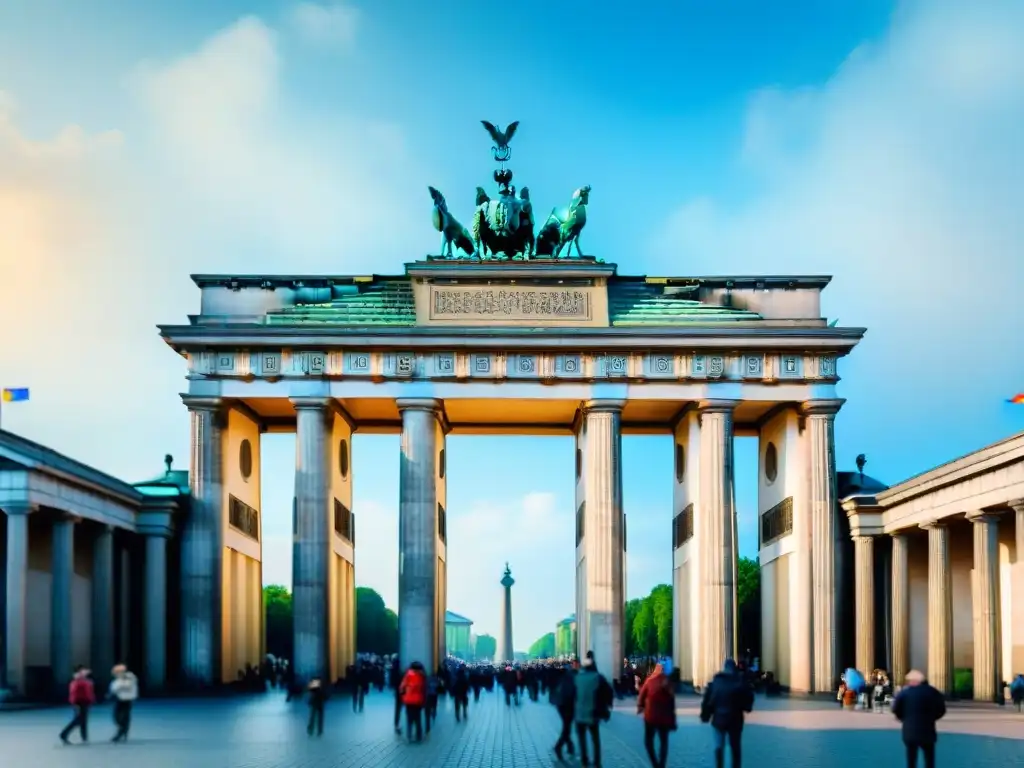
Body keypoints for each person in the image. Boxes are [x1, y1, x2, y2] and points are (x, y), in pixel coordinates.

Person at [700, 659, 754, 768]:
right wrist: (747, 708)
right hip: (735, 720)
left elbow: (709, 699)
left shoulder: (716, 681)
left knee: (719, 746)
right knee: (735, 747)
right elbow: (748, 697)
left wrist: (705, 715)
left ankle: (719, 765)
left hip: (719, 720)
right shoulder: (740, 680)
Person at [891, 669, 946, 768]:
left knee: (911, 758)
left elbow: (896, 709)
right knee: (929, 758)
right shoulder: (933, 692)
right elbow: (942, 709)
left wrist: (904, 718)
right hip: (928, 729)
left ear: (913, 681)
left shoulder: (904, 693)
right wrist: (932, 718)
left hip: (909, 730)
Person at [574, 653, 614, 767]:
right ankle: (597, 762)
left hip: (579, 712)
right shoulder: (598, 677)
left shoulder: (577, 677)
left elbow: (573, 695)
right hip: (593, 713)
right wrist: (608, 705)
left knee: (581, 738)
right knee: (595, 739)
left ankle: (584, 760)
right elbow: (609, 691)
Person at [637, 663, 676, 768]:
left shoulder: (649, 681)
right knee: (664, 742)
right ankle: (661, 765)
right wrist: (672, 717)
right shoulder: (667, 682)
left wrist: (640, 706)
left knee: (648, 741)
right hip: (665, 717)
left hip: (651, 716)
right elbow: (672, 700)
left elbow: (641, 695)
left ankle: (655, 764)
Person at [59, 665, 96, 745]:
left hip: (85, 701)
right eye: (84, 670)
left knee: (83, 720)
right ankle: (64, 734)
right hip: (80, 701)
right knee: (78, 720)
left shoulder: (85, 680)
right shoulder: (78, 680)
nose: (86, 672)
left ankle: (84, 737)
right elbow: (75, 693)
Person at [551, 662, 577, 761]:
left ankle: (569, 745)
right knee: (567, 727)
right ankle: (559, 746)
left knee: (567, 726)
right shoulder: (572, 676)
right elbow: (572, 693)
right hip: (567, 705)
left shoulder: (564, 676)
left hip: (561, 704)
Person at [107, 663, 139, 742]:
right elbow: (114, 688)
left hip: (127, 699)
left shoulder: (129, 677)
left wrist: (118, 686)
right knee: (117, 716)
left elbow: (125, 686)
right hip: (119, 699)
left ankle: (122, 732)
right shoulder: (118, 679)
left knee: (124, 716)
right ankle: (122, 730)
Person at [400, 661, 428, 742]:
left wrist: (404, 696)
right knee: (418, 719)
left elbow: (402, 687)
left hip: (408, 701)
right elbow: (424, 689)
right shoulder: (422, 676)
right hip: (418, 701)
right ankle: (418, 736)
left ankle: (409, 735)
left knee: (409, 719)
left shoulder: (408, 675)